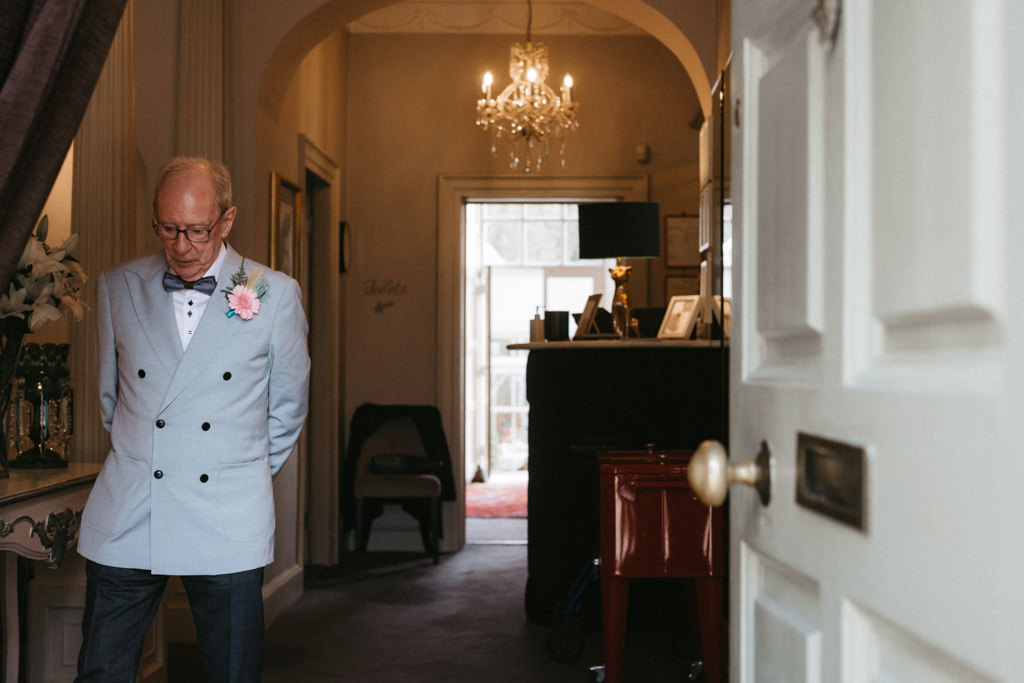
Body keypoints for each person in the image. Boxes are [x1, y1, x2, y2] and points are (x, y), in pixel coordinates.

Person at [75, 157, 310, 682]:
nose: (180, 245)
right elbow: (111, 401)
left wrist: (234, 468)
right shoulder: (118, 286)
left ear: (226, 221)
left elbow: (288, 410)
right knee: (101, 671)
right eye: (168, 228)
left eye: (196, 230)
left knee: (231, 673)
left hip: (228, 511)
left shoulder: (272, 294)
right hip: (132, 504)